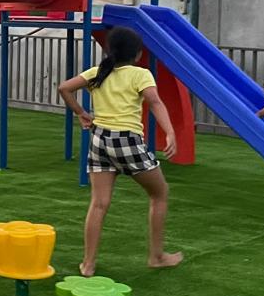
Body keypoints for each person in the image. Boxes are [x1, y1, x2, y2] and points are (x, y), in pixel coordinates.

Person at [58, 26, 183, 277]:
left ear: (110, 50)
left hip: (99, 141)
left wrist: (81, 113)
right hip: (126, 141)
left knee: (99, 204)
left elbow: (64, 88)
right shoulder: (141, 74)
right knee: (159, 194)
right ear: (137, 54)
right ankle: (157, 256)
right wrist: (170, 132)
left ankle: (88, 264)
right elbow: (155, 102)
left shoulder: (97, 72)